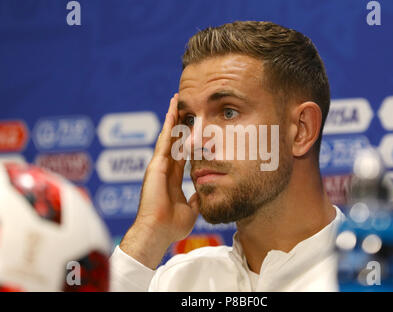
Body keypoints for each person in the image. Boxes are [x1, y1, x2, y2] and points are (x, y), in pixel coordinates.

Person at [110, 21, 345, 291]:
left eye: (228, 112)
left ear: (301, 130)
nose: (194, 142)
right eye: (188, 119)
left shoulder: (380, 280)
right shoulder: (176, 281)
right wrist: (148, 234)